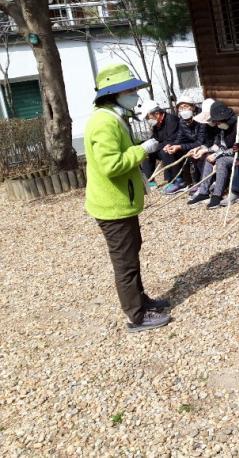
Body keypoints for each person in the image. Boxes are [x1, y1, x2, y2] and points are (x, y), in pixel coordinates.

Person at [84, 63, 170, 333]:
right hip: (112, 206)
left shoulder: (115, 116)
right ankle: (136, 316)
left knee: (132, 254)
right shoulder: (103, 122)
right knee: (125, 262)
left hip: (122, 203)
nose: (134, 94)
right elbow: (111, 165)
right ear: (114, 94)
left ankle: (140, 300)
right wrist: (142, 151)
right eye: (130, 90)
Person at [186, 101, 239, 209]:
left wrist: (217, 155)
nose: (217, 124)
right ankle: (203, 192)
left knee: (220, 160)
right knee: (209, 157)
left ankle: (217, 195)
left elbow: (238, 148)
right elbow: (219, 145)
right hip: (225, 154)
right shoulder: (222, 129)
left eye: (218, 122)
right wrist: (206, 150)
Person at [162, 95, 206, 194]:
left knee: (197, 155)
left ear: (193, 107)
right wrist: (172, 145)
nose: (183, 110)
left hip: (205, 145)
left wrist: (180, 146)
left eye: (186, 106)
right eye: (180, 108)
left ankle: (202, 184)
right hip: (193, 144)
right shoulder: (182, 121)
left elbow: (201, 141)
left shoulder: (201, 118)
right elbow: (180, 138)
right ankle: (181, 181)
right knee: (171, 152)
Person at [138, 99, 180, 188]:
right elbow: (155, 138)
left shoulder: (171, 120)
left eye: (148, 117)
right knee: (147, 152)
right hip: (163, 146)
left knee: (164, 151)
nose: (147, 120)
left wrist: (157, 147)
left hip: (177, 147)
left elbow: (172, 139)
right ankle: (150, 180)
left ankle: (174, 179)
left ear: (157, 114)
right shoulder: (157, 124)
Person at [185, 98, 217, 186]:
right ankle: (202, 182)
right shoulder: (207, 126)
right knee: (198, 156)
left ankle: (209, 182)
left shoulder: (220, 125)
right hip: (211, 148)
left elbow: (220, 143)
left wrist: (207, 150)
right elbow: (207, 141)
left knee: (206, 156)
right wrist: (199, 148)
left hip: (219, 150)